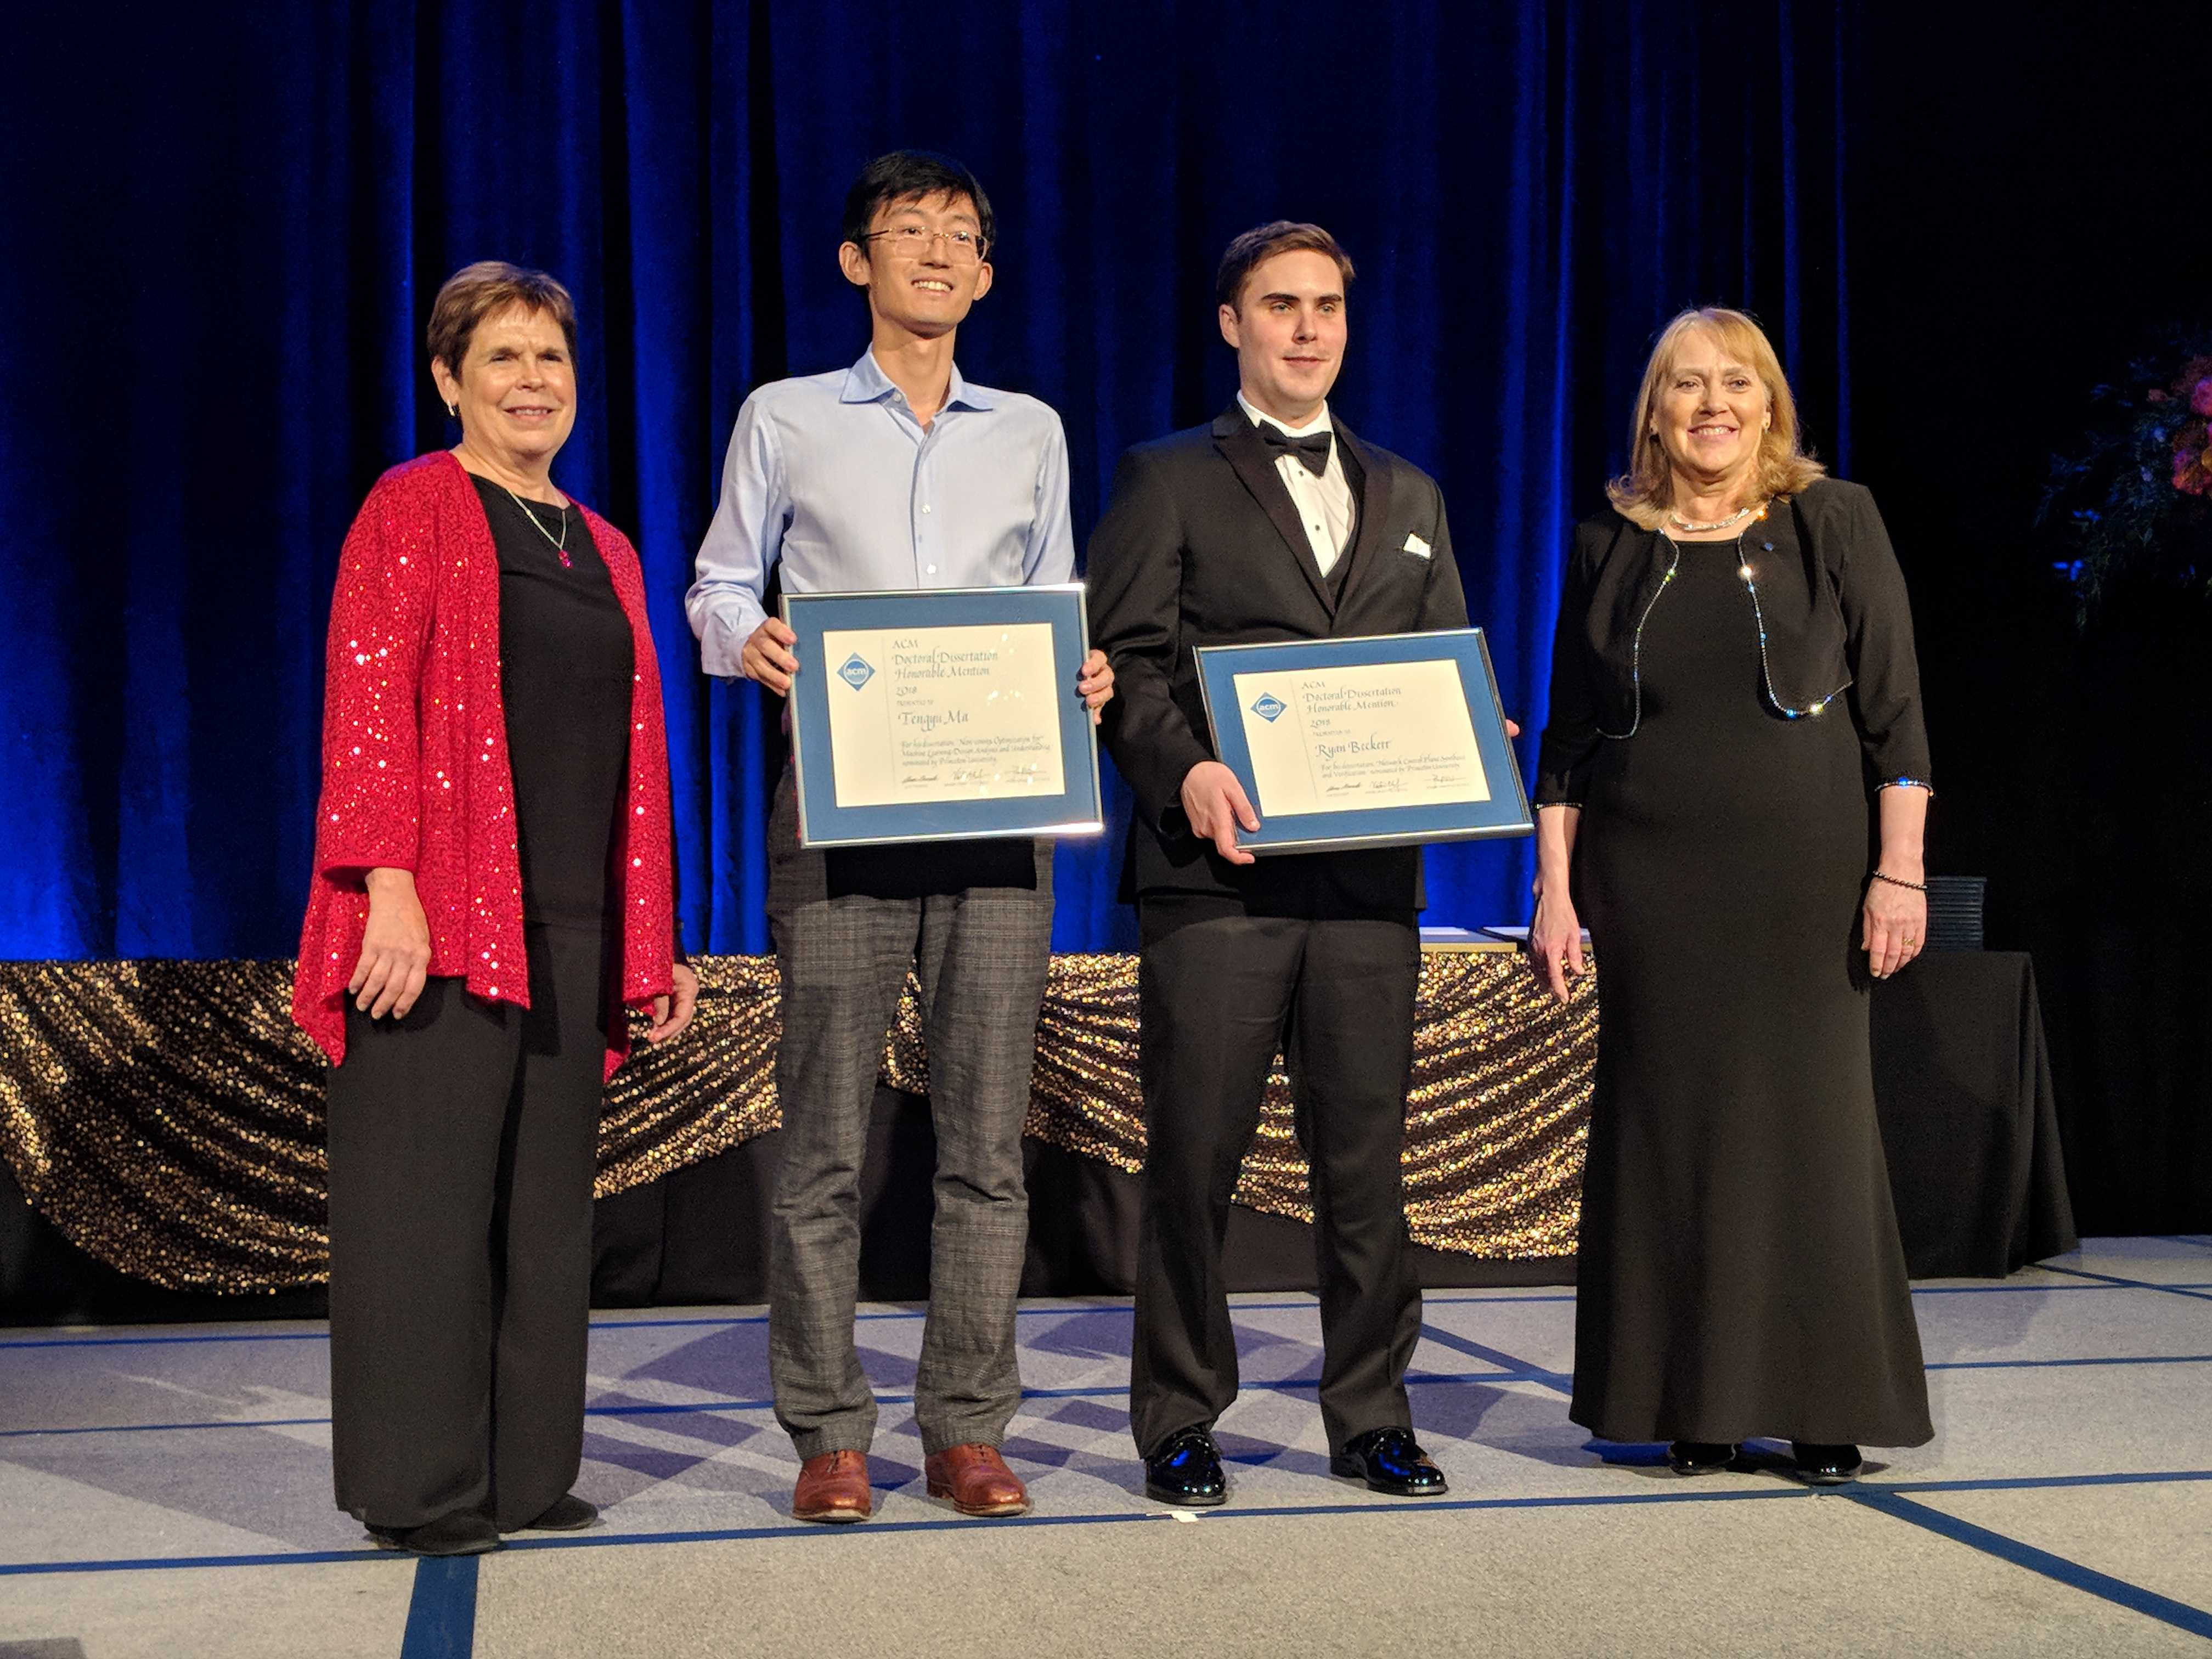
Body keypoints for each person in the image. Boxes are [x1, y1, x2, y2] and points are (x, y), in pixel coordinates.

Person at [686, 151, 1111, 1524]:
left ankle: (969, 1429)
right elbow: (712, 578)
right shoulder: (787, 416)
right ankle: (828, 1432)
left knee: (988, 1142)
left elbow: (1055, 600)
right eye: (907, 232)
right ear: (855, 260)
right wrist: (736, 634)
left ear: (986, 274)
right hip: (839, 815)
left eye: (961, 237)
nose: (936, 253)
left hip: (999, 818)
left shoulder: (1029, 429)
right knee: (823, 1142)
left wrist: (1087, 675)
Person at [294, 261, 698, 1557]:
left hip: (574, 929)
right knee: (424, 1215)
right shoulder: (414, 505)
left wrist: (652, 941)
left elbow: (634, 757)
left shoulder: (607, 544)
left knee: (542, 1213)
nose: (534, 382)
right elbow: (365, 713)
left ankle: (526, 1473)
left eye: (553, 361)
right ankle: (418, 1490)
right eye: (506, 359)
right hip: (441, 917)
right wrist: (389, 892)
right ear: (448, 378)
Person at [1086, 222, 1465, 1507]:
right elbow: (1127, 662)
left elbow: (1443, 654)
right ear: (1231, 322)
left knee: (1367, 1167)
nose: (1308, 329)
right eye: (1280, 305)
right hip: (1217, 883)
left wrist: (1472, 734)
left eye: (1327, 308)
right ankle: (1181, 1421)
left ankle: (1372, 1419)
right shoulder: (1166, 476)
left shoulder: (1411, 494)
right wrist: (1184, 773)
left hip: (1367, 889)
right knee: (1194, 1163)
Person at [1530, 306, 1934, 1485]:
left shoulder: (1832, 519)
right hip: (1648, 884)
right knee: (1672, 1136)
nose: (1714, 404)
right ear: (1653, 410)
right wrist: (1555, 895)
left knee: (1812, 1134)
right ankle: (1688, 1404)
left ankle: (1821, 1404)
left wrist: (1897, 868)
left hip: (1804, 879)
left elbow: (1896, 715)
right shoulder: (1607, 540)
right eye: (1687, 385)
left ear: (1771, 405)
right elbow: (1566, 742)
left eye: (1738, 383)